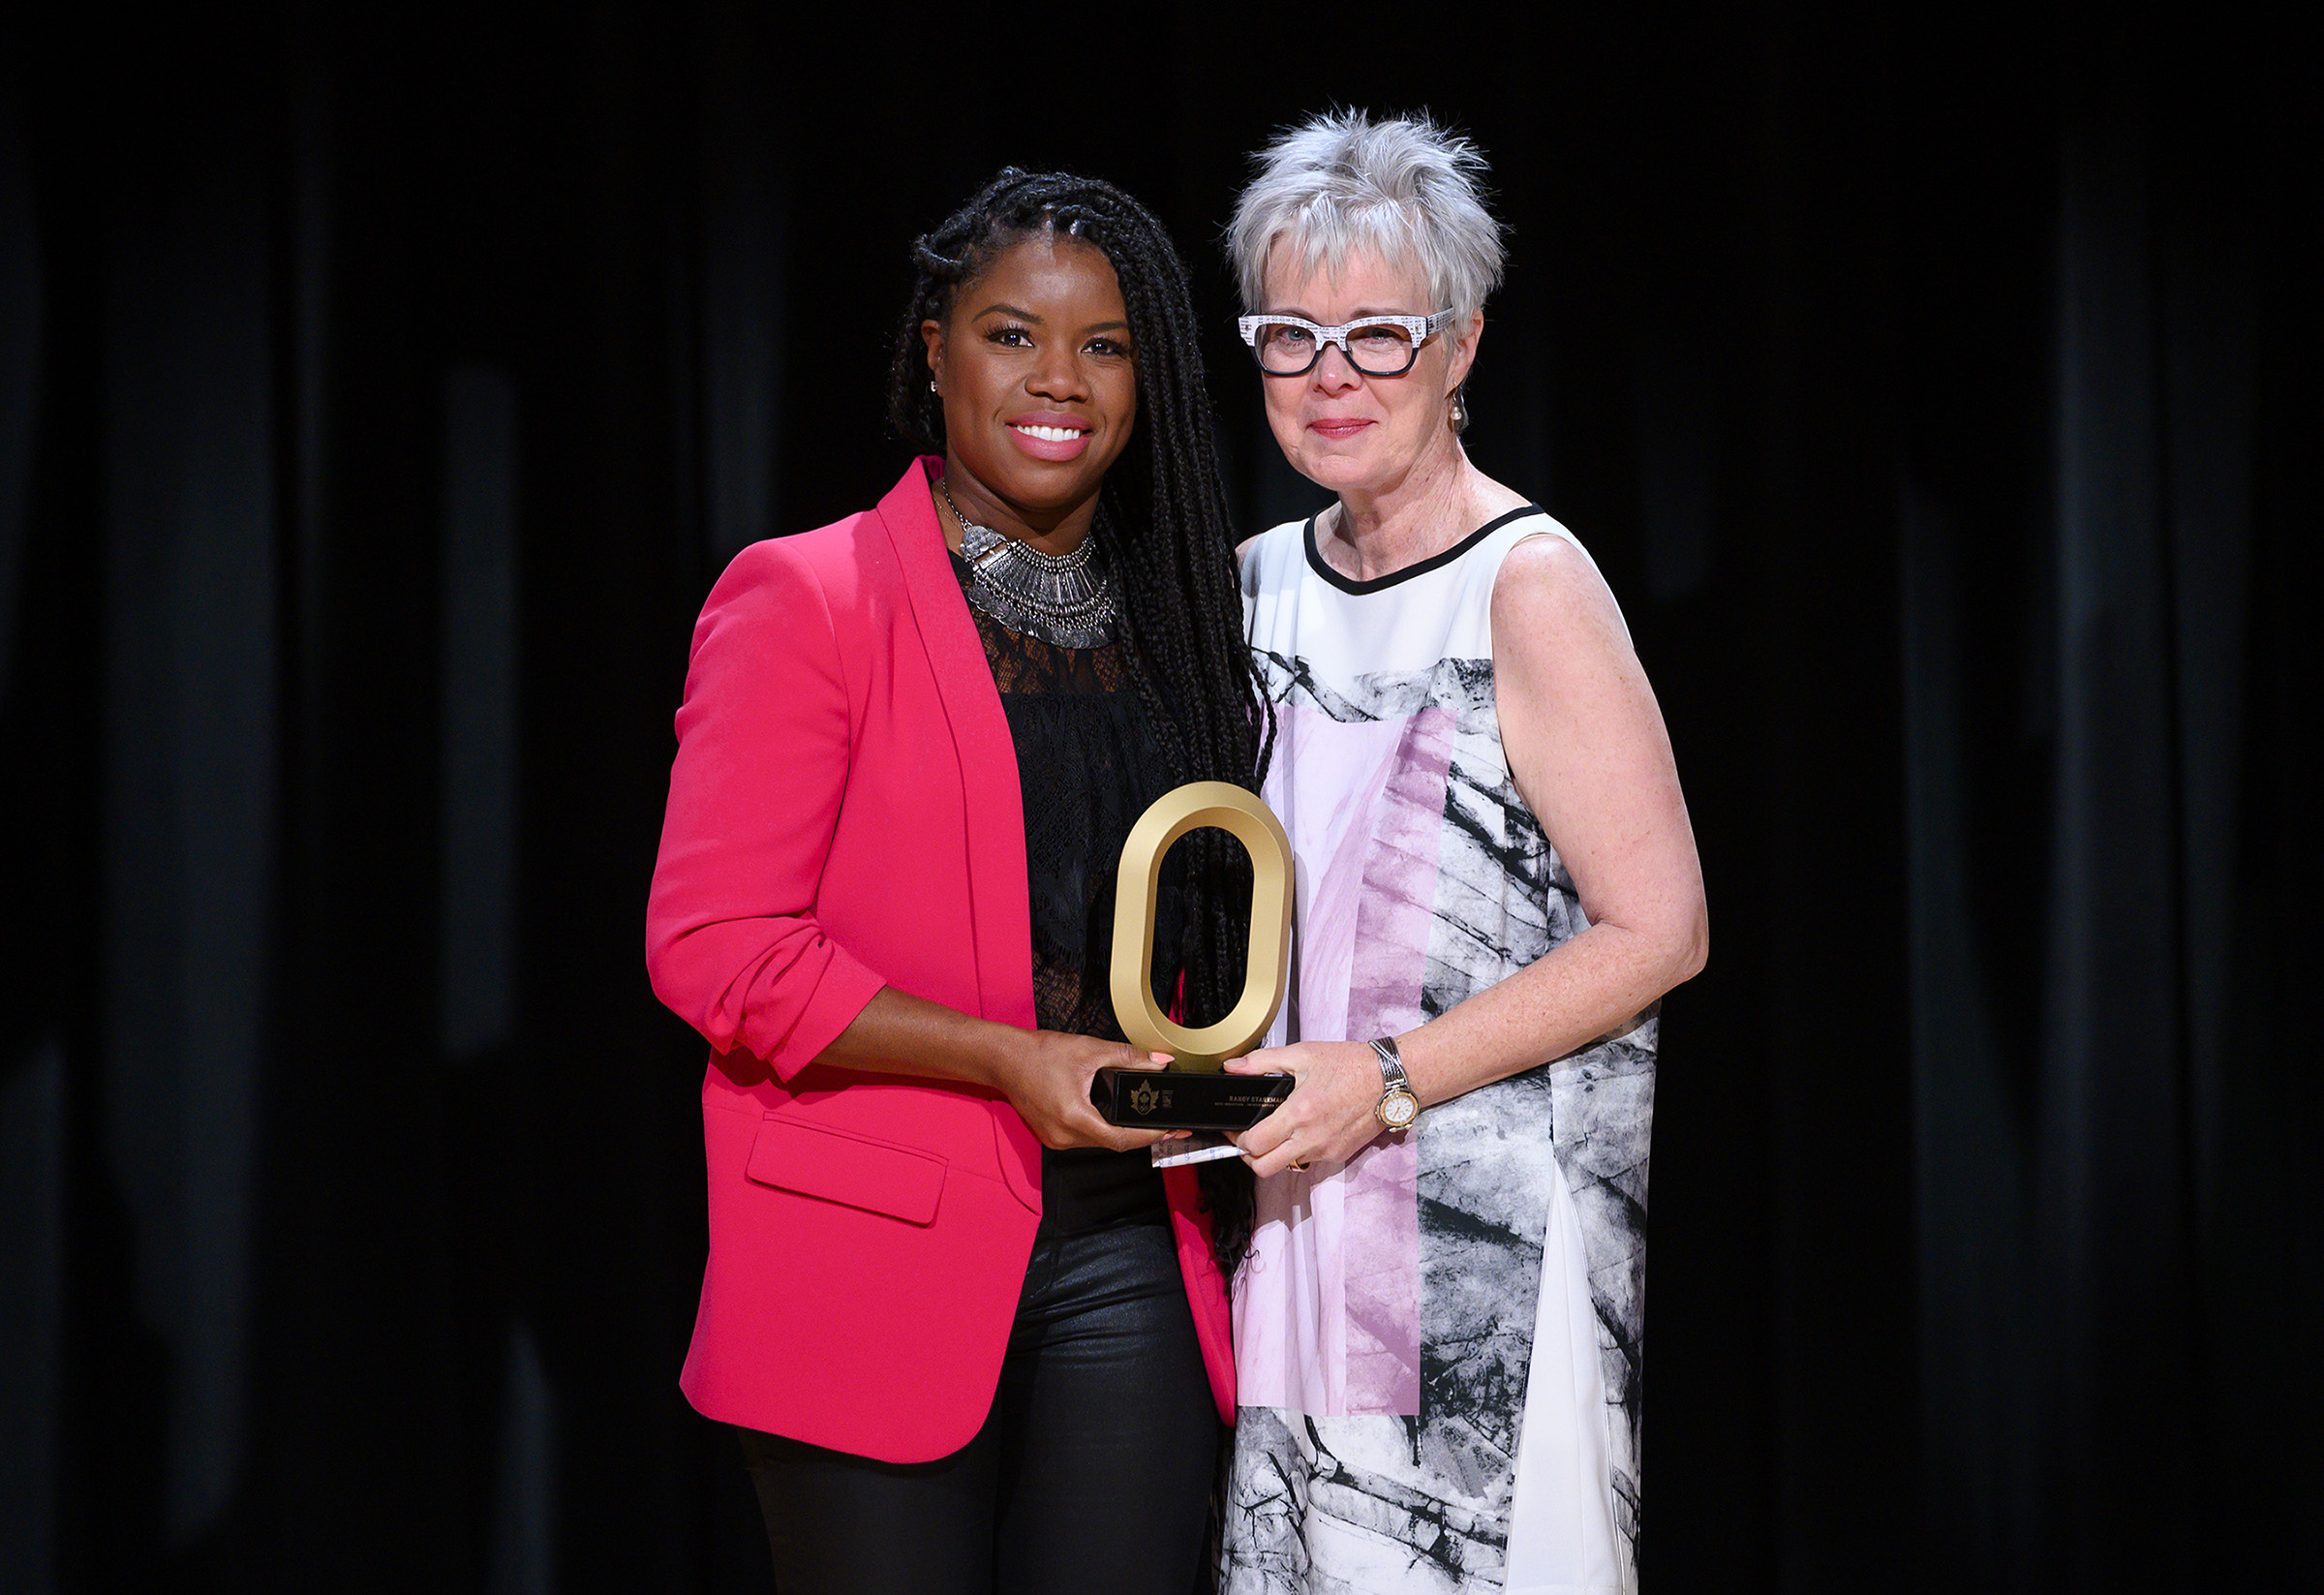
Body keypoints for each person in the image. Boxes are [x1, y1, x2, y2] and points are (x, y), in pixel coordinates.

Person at [644, 169, 1270, 1595]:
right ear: (934, 347)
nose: (1060, 380)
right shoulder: (806, 597)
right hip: (868, 1248)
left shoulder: (1188, 617)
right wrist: (1008, 1060)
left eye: (1105, 345)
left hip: (1133, 1247)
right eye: (1011, 334)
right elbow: (715, 948)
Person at [1215, 113, 1709, 1595]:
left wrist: (1379, 1079)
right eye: (1291, 335)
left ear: (1462, 345)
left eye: (1380, 333)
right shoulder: (1252, 586)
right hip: (1296, 1213)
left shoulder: (1530, 584)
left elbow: (1659, 931)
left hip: (1476, 1246)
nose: (1332, 377)